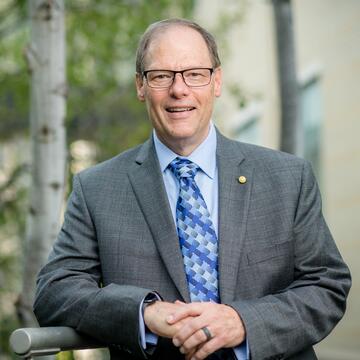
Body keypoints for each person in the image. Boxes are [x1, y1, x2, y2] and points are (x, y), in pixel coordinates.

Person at [34, 18, 351, 360]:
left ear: (216, 81)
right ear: (140, 86)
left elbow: (326, 286)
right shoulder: (97, 189)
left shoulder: (287, 177)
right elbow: (55, 291)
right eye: (161, 76)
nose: (179, 90)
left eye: (194, 73)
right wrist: (146, 313)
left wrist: (244, 322)